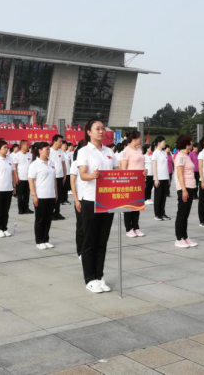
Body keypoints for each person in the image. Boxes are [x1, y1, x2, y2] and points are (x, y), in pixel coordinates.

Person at [77, 119, 118, 293]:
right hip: (90, 200)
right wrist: (92, 175)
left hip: (107, 200)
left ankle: (99, 276)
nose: (101, 131)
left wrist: (138, 175)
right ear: (89, 132)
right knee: (90, 241)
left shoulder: (109, 151)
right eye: (97, 128)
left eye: (103, 129)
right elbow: (82, 174)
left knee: (102, 241)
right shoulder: (84, 151)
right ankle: (90, 278)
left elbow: (117, 172)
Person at [29, 141, 58, 250]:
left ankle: (46, 239)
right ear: (40, 151)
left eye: (49, 149)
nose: (48, 151)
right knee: (40, 219)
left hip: (51, 195)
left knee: (48, 219)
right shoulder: (34, 165)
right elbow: (31, 181)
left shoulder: (51, 163)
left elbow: (54, 179)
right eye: (47, 149)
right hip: (40, 196)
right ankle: (39, 241)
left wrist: (56, 193)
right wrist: (34, 195)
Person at [120, 131, 146, 237]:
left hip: (139, 181)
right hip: (129, 181)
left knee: (137, 205)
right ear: (135, 139)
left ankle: (136, 227)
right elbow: (123, 168)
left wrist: (145, 171)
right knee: (129, 206)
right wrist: (125, 182)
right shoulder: (126, 151)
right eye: (139, 138)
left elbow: (141, 164)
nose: (141, 139)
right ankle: (129, 228)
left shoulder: (139, 149)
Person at [174, 134, 198, 248]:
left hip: (190, 187)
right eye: (190, 142)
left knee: (186, 214)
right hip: (184, 187)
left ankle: (185, 236)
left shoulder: (186, 155)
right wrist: (184, 190)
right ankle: (179, 238)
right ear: (186, 144)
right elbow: (180, 175)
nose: (192, 143)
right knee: (182, 214)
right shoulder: (180, 156)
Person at [0, 139, 17, 238]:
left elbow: (13, 173)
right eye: (4, 148)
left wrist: (14, 186)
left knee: (6, 210)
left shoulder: (10, 159)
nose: (6, 149)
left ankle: (4, 228)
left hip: (8, 188)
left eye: (7, 147)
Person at [69, 140, 87, 258]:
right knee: (81, 226)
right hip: (81, 199)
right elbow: (72, 182)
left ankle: (89, 250)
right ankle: (80, 251)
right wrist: (76, 200)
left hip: (94, 199)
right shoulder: (75, 163)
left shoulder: (94, 162)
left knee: (91, 227)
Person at [152, 136, 171, 221]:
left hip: (165, 177)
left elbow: (166, 166)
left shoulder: (164, 153)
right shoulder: (155, 153)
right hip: (158, 178)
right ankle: (157, 214)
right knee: (158, 197)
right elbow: (154, 167)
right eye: (164, 142)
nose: (165, 143)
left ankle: (162, 213)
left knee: (163, 197)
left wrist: (168, 178)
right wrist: (155, 178)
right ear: (159, 143)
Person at [13, 140, 33, 215]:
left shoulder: (29, 155)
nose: (28, 146)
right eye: (27, 145)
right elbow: (15, 167)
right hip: (20, 178)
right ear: (22, 145)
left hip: (28, 178)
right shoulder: (17, 155)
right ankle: (20, 209)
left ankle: (26, 208)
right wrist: (16, 177)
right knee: (20, 194)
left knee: (27, 194)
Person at [50, 135, 67, 220]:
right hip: (52, 177)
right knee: (53, 195)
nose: (61, 143)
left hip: (60, 176)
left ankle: (57, 212)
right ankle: (51, 213)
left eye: (62, 141)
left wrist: (65, 175)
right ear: (54, 141)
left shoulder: (61, 152)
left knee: (59, 195)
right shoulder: (49, 151)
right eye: (60, 141)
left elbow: (63, 164)